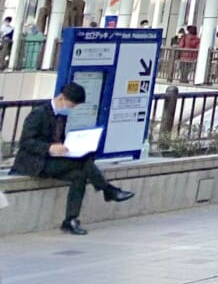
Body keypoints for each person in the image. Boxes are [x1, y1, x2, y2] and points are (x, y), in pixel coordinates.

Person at [11, 82, 135, 235]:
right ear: (62, 98)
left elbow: (59, 139)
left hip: (52, 160)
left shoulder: (60, 117)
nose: (71, 109)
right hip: (34, 162)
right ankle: (107, 190)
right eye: (71, 105)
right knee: (83, 162)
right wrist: (49, 148)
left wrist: (68, 147)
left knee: (80, 175)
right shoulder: (39, 113)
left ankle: (70, 220)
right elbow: (25, 141)